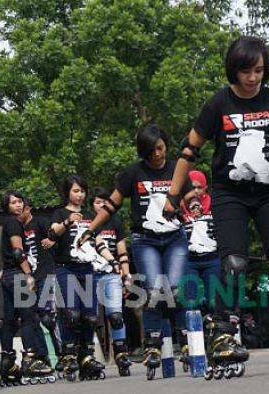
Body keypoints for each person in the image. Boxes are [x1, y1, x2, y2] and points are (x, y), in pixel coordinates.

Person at [163, 35, 269, 378]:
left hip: (268, 193)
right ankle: (222, 333)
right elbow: (189, 151)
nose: (253, 78)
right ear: (235, 69)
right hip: (229, 194)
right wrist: (173, 196)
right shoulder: (218, 103)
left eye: (259, 70)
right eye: (246, 71)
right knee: (233, 262)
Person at [83, 124, 192, 380]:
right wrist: (90, 230)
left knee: (174, 288)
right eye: (151, 150)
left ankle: (185, 338)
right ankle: (152, 344)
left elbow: (190, 199)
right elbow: (111, 205)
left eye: (161, 148)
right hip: (145, 240)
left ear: (165, 144)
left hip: (175, 237)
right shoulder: (133, 172)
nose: (157, 154)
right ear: (143, 151)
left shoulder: (177, 169)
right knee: (155, 290)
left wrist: (189, 211)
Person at [47, 175, 105, 381]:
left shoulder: (90, 215)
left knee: (89, 315)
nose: (80, 195)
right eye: (76, 191)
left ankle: (86, 356)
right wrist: (67, 221)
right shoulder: (60, 212)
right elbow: (52, 234)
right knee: (71, 313)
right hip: (66, 268)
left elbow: (98, 241)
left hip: (87, 268)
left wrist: (115, 262)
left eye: (82, 191)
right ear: (67, 193)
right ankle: (69, 353)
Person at [0, 191, 53, 386]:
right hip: (18, 277)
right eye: (13, 203)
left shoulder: (7, 223)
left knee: (10, 320)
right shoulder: (14, 223)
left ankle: (7, 360)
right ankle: (30, 359)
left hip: (8, 277)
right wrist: (28, 275)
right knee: (29, 317)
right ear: (7, 207)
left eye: (20, 202)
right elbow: (18, 252)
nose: (18, 205)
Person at [89, 187, 133, 376]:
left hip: (111, 276)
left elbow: (122, 251)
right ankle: (87, 355)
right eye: (97, 202)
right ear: (92, 205)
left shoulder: (115, 222)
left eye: (105, 202)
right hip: (89, 275)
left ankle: (121, 354)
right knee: (88, 319)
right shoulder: (87, 223)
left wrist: (127, 276)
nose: (101, 206)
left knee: (115, 317)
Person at [179, 172, 220, 369]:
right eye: (191, 187)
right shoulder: (179, 207)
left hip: (212, 258)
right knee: (190, 302)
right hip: (189, 261)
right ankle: (191, 346)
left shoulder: (215, 205)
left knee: (214, 301)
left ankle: (218, 339)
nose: (195, 191)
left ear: (205, 189)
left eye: (199, 187)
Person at [19, 198, 61, 371]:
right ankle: (43, 358)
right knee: (31, 319)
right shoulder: (17, 230)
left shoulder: (40, 222)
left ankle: (62, 355)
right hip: (29, 277)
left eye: (21, 208)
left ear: (28, 208)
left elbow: (57, 235)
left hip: (46, 273)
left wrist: (53, 241)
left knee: (48, 318)